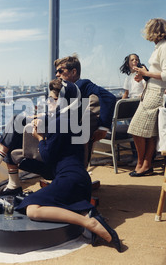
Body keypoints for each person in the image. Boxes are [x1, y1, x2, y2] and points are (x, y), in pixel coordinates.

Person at [16, 79, 121, 252]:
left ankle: (89, 222)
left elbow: (48, 156)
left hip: (69, 179)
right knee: (56, 202)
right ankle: (87, 214)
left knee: (32, 209)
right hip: (81, 181)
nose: (48, 102)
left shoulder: (59, 123)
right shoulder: (75, 120)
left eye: (52, 99)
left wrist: (41, 138)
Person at [0, 55, 116, 196]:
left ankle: (0, 173)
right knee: (16, 127)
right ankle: (12, 182)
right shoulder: (64, 89)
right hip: (59, 126)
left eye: (61, 71)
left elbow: (109, 97)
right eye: (56, 72)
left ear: (73, 72)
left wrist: (103, 128)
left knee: (16, 122)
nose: (57, 74)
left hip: (61, 131)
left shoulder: (82, 84)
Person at [128, 18, 166, 177]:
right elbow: (158, 74)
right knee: (149, 131)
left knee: (136, 128)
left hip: (157, 93)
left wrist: (145, 73)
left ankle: (142, 162)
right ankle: (145, 164)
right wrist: (144, 77)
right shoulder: (159, 47)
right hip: (150, 90)